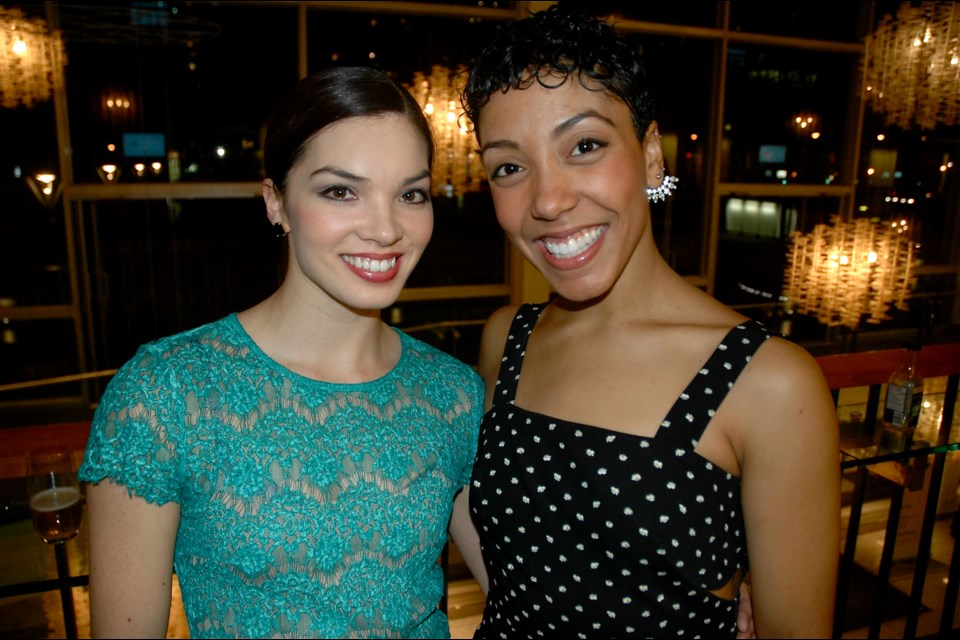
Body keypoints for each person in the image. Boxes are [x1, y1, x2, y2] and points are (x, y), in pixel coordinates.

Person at [450, 5, 840, 638]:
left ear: (651, 156)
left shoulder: (768, 383)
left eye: (584, 146)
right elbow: (523, 577)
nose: (548, 201)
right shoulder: (508, 337)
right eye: (509, 168)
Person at [78, 66, 485, 639]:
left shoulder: (453, 394)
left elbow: (521, 591)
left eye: (410, 194)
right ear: (276, 202)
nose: (387, 228)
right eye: (341, 191)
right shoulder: (165, 394)